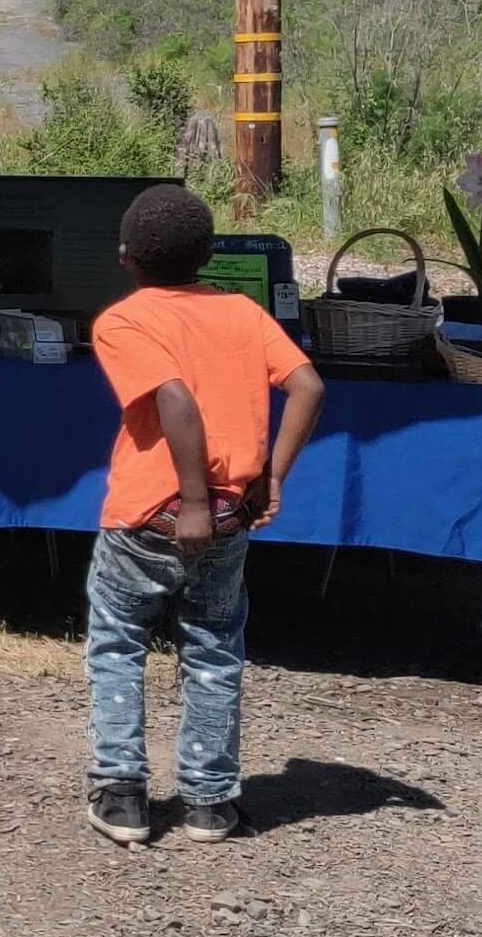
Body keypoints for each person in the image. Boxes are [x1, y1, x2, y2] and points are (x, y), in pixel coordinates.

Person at [82, 185, 325, 847]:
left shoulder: (123, 321)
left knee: (117, 648)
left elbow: (173, 398)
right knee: (215, 653)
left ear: (126, 256)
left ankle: (123, 794)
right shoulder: (243, 313)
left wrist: (190, 499)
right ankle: (212, 803)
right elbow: (308, 385)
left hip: (150, 516)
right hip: (228, 518)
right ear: (209, 254)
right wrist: (269, 476)